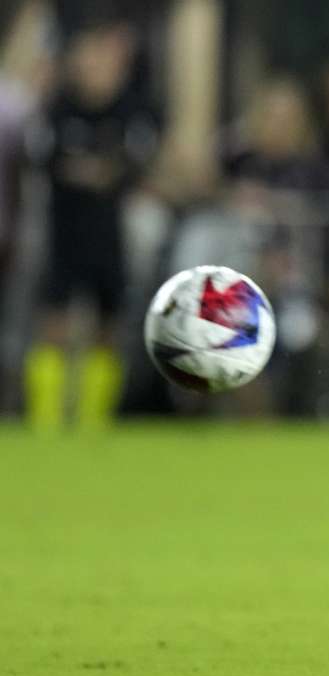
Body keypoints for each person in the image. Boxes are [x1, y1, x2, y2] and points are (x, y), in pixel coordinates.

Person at [25, 18, 157, 432]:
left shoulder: (129, 111)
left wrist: (102, 171)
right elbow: (41, 157)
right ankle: (46, 421)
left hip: (108, 234)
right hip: (63, 232)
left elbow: (137, 163)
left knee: (107, 325)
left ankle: (93, 420)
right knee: (54, 323)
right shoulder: (57, 109)